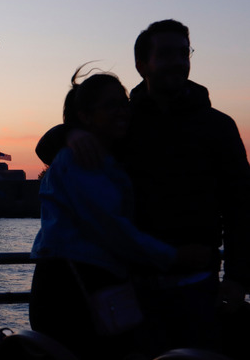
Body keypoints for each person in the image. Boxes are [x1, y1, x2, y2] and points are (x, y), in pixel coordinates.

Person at [35, 19, 250, 355]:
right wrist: (70, 133)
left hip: (195, 282)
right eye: (165, 54)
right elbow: (56, 151)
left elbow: (241, 206)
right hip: (134, 287)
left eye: (184, 52)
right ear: (141, 64)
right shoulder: (125, 120)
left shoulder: (217, 126)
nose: (178, 61)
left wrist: (237, 278)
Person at [29, 67, 209, 360]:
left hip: (85, 284)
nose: (123, 110)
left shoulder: (104, 157)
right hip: (73, 291)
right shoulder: (80, 159)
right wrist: (174, 256)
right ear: (85, 116)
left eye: (123, 101)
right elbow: (111, 228)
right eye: (110, 105)